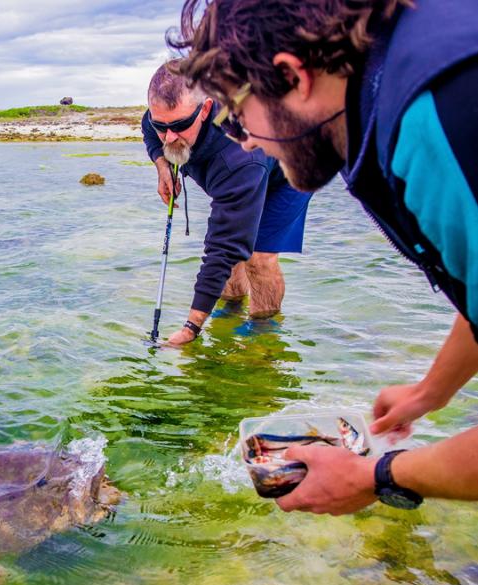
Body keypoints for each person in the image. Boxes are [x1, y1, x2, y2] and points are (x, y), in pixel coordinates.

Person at [172, 0, 478, 513]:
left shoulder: (435, 119)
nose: (244, 145)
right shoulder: (402, 73)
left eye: (238, 118)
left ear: (292, 75)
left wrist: (378, 475)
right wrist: (432, 390)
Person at [142, 63, 313, 345]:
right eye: (161, 126)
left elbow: (222, 247)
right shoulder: (165, 116)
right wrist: (162, 164)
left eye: (180, 126)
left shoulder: (238, 157)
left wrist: (190, 328)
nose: (169, 136)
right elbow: (148, 128)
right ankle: (232, 308)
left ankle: (264, 330)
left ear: (205, 109)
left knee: (257, 257)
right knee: (233, 255)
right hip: (243, 170)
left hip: (289, 165)